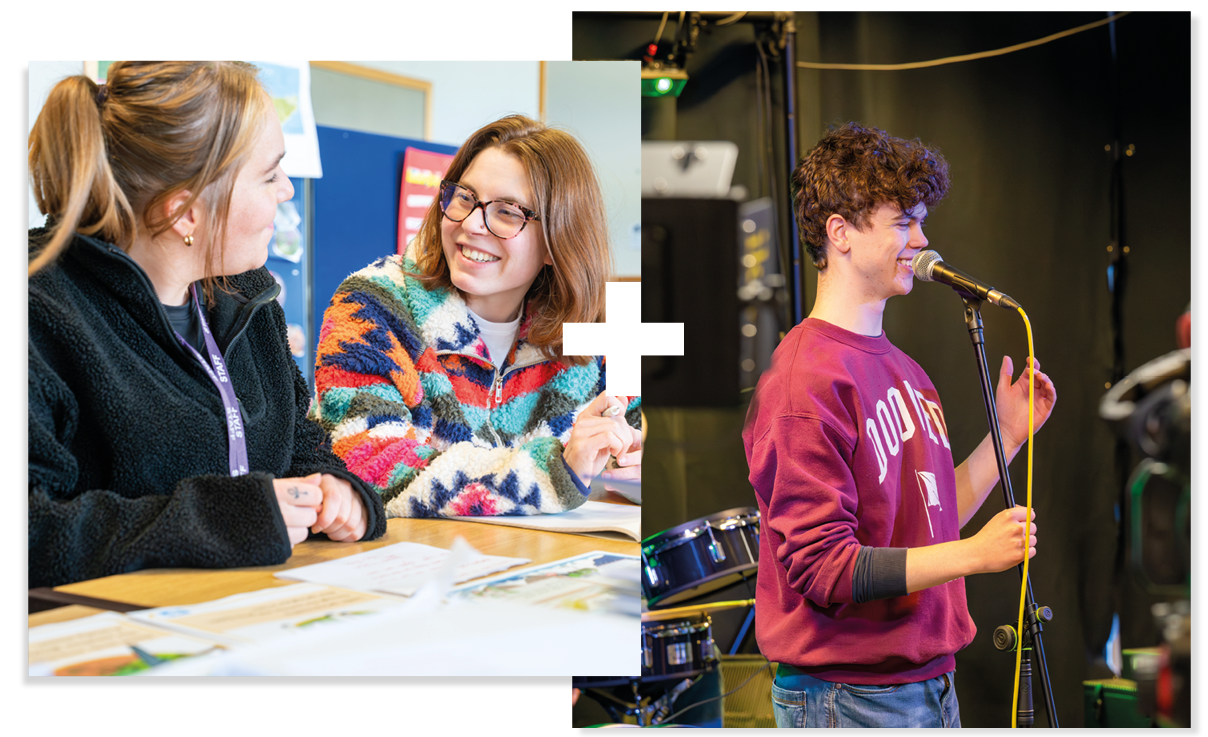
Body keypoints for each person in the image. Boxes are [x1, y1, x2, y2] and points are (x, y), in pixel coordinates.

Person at [742, 122, 1057, 728]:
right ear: (840, 233)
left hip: (930, 685)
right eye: (903, 222)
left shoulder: (907, 371)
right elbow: (825, 566)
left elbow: (931, 518)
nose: (922, 238)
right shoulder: (803, 380)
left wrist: (1008, 436)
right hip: (848, 697)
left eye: (920, 221)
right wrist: (972, 556)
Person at [27, 60, 386, 590]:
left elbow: (296, 444)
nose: (287, 190)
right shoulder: (38, 310)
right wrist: (223, 520)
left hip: (244, 611)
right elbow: (30, 532)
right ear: (185, 214)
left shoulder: (248, 295)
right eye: (269, 175)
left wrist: (336, 489)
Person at [309, 115, 641, 517]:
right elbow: (370, 467)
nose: (470, 224)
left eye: (507, 212)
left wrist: (638, 465)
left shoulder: (602, 330)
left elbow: (640, 448)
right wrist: (555, 471)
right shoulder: (372, 303)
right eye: (465, 198)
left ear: (558, 240)